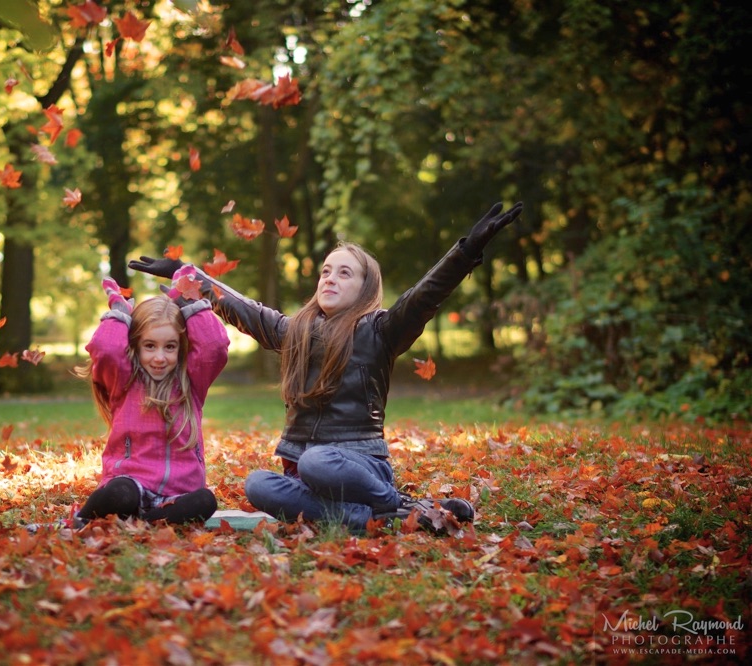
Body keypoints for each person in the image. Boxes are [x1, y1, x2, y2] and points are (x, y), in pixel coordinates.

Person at [129, 201, 522, 534]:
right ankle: (365, 518)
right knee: (258, 485)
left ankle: (394, 502)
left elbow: (425, 296)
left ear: (365, 288)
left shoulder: (381, 331)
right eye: (326, 271)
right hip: (308, 474)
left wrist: (467, 250)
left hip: (356, 464)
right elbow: (245, 309)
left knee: (318, 459)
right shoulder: (295, 331)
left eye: (344, 272)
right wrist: (190, 276)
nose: (331, 278)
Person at [46, 273, 229, 531]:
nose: (159, 357)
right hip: (132, 484)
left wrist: (191, 303)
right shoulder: (124, 381)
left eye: (170, 346)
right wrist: (120, 313)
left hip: (179, 492)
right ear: (136, 346)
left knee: (206, 500)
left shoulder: (192, 382)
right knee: (120, 492)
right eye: (150, 346)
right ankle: (81, 522)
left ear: (181, 347)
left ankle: (145, 522)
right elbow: (107, 349)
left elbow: (215, 347)